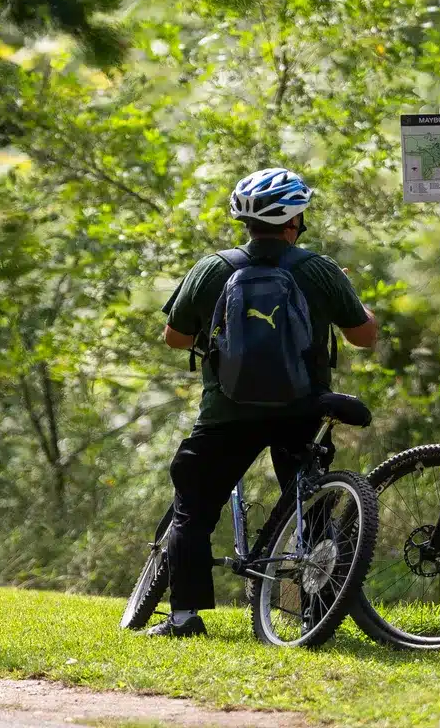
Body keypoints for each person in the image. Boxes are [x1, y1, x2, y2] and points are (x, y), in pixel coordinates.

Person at [148, 167, 378, 638]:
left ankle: (185, 617)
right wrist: (343, 294)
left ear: (244, 220)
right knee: (310, 506)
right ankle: (314, 612)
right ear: (296, 219)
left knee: (193, 510)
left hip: (226, 414)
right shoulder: (318, 268)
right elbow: (365, 336)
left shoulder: (213, 268)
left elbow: (174, 337)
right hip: (303, 411)